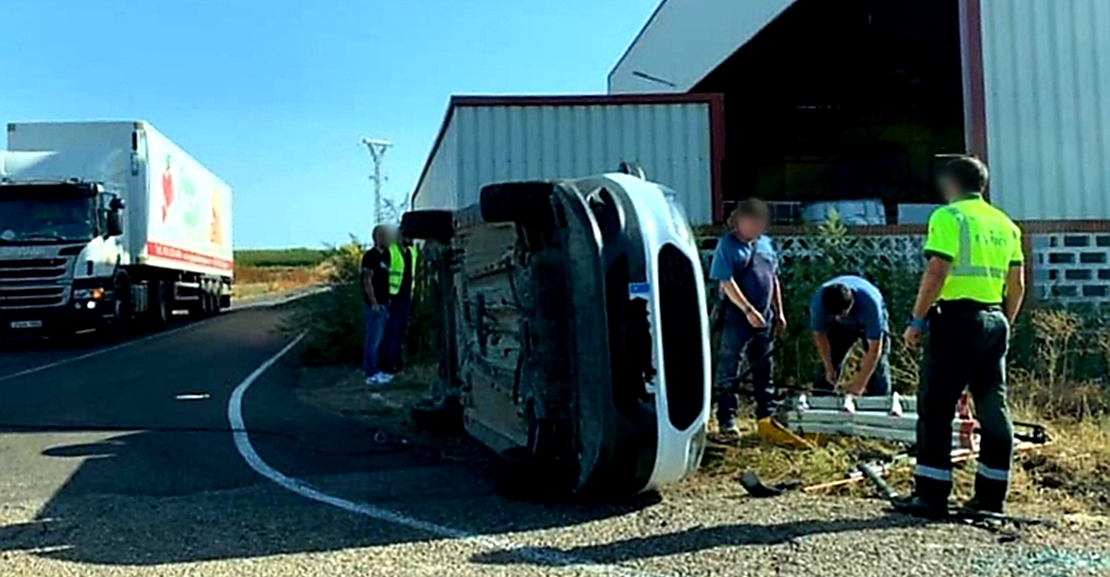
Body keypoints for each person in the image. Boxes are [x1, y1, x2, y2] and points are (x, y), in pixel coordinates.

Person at [899, 155, 1026, 518]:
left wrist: (917, 320)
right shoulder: (1005, 224)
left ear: (950, 184)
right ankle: (991, 496)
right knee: (993, 407)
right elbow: (1017, 284)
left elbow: (937, 270)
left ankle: (932, 494)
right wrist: (1005, 322)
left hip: (956, 320)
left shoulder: (949, 217)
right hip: (993, 318)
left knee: (936, 406)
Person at [710, 199, 799, 445]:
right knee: (730, 366)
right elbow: (726, 282)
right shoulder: (727, 247)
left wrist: (778, 312)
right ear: (738, 220)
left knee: (764, 366)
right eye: (751, 221)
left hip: (765, 317)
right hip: (738, 316)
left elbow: (773, 279)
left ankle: (766, 416)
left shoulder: (766, 245)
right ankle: (727, 420)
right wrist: (748, 309)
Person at [809, 275, 891, 397]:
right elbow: (820, 335)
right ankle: (821, 398)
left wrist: (859, 384)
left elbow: (874, 350)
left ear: (851, 304)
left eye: (841, 314)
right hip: (838, 328)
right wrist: (828, 367)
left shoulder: (870, 305)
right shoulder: (818, 302)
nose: (838, 318)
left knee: (878, 367)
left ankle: (880, 399)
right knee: (826, 368)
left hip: (865, 322)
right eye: (834, 315)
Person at [380, 234, 419, 377]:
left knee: (399, 330)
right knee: (390, 331)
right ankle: (388, 364)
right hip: (392, 296)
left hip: (405, 295)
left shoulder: (412, 252)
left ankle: (396, 362)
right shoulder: (391, 251)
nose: (411, 239)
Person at [361, 224, 395, 385]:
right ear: (377, 238)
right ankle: (370, 373)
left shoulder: (386, 255)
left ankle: (377, 370)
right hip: (374, 305)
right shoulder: (370, 257)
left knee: (380, 339)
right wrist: (373, 302)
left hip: (384, 302)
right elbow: (367, 281)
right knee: (372, 340)